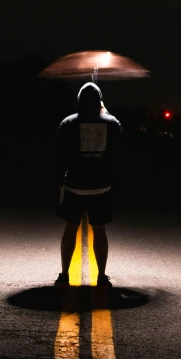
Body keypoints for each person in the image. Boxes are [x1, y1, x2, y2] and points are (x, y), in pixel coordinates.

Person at [54, 81, 123, 289]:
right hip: (101, 186)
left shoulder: (67, 123)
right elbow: (119, 131)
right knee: (99, 231)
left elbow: (59, 155)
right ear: (99, 101)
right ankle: (101, 277)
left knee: (70, 229)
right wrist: (104, 110)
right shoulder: (110, 124)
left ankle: (64, 276)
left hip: (74, 185)